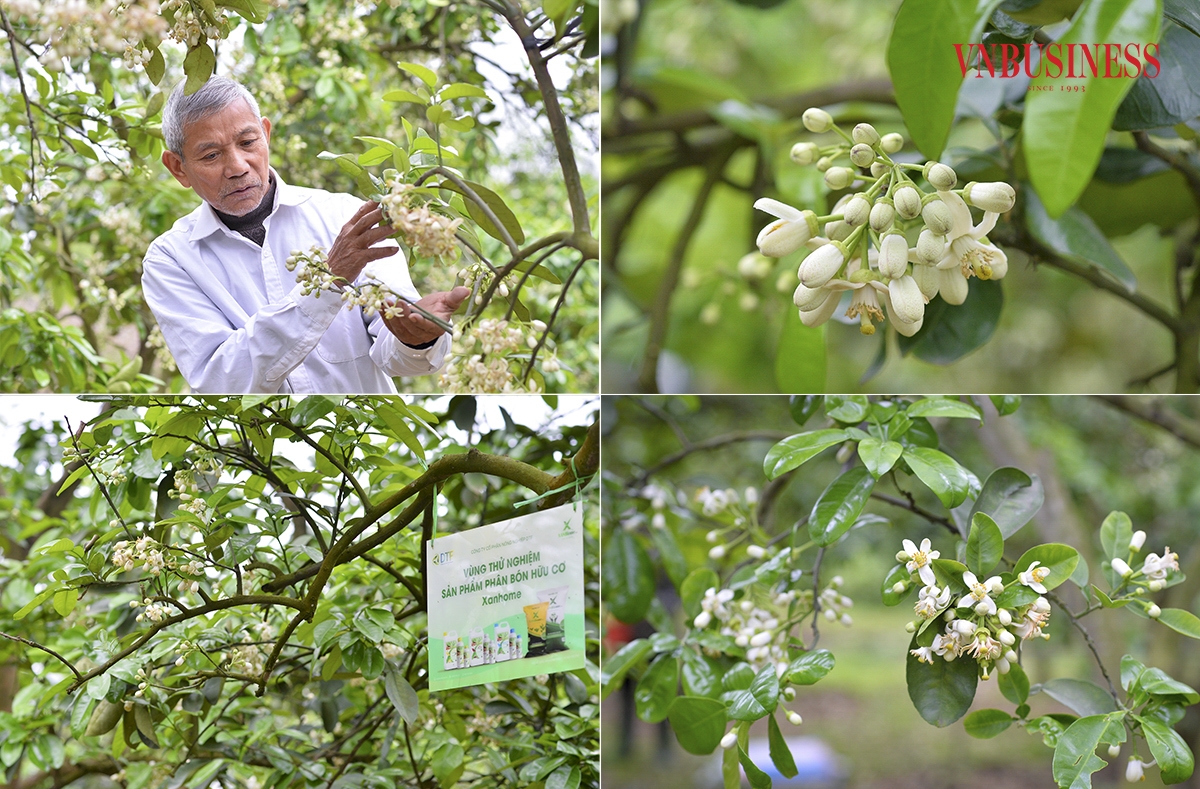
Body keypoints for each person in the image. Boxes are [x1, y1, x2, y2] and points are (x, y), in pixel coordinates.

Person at [142, 76, 469, 393]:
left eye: (247, 142)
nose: (238, 166)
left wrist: (416, 337)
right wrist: (329, 281)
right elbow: (225, 382)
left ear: (266, 134)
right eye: (211, 155)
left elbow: (399, 356)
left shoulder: (345, 216)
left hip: (367, 441)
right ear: (178, 168)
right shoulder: (171, 260)